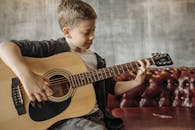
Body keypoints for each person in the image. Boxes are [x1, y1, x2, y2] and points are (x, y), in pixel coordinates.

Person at [0, 0, 150, 130]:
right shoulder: (52, 49)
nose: (93, 36)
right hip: (60, 119)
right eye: (86, 32)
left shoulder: (96, 60)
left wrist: (137, 81)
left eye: (94, 30)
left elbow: (113, 88)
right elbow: (5, 47)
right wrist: (27, 77)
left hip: (91, 116)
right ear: (67, 31)